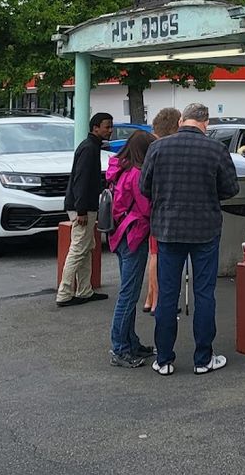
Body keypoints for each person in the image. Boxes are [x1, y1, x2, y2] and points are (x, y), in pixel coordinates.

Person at [139, 102, 239, 376]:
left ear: (182, 120)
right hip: (205, 229)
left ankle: (164, 359)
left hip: (168, 230)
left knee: (167, 294)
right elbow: (231, 188)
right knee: (204, 293)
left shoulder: (157, 148)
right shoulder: (216, 149)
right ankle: (203, 358)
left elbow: (143, 187)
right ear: (205, 122)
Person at [106, 129, 156, 367]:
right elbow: (146, 208)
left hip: (118, 233)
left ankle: (131, 341)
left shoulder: (118, 168)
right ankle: (120, 348)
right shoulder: (137, 174)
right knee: (128, 294)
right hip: (134, 235)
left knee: (128, 292)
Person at [56, 112, 113, 307]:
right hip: (83, 207)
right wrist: (81, 210)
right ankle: (64, 293)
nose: (110, 130)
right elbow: (81, 180)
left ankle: (84, 290)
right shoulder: (90, 149)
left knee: (86, 248)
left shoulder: (89, 146)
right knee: (79, 249)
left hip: (82, 205)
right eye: (107, 126)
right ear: (95, 127)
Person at [142, 107, 182, 314]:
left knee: (153, 254)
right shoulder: (162, 147)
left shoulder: (152, 146)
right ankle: (157, 299)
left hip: (154, 211)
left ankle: (150, 297)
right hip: (162, 213)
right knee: (158, 256)